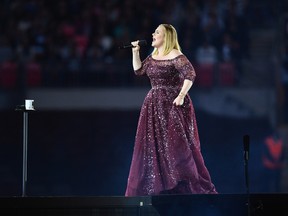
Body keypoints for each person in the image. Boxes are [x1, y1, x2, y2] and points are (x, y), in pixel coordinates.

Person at [125, 24, 217, 196]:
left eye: (157, 32)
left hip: (172, 104)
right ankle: (161, 185)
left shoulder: (175, 54)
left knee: (176, 144)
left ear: (166, 37)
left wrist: (181, 95)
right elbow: (139, 71)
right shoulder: (153, 56)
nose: (153, 34)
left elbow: (190, 74)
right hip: (154, 105)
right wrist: (135, 51)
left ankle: (181, 182)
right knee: (155, 145)